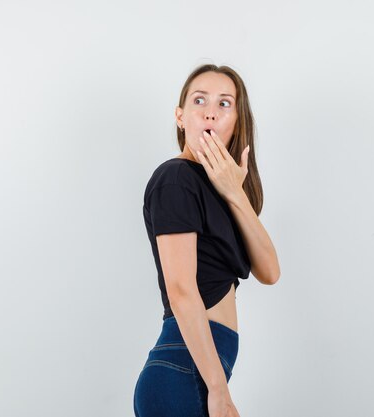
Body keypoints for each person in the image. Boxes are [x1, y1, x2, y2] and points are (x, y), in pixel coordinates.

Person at [133, 64, 281, 417]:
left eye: (224, 103)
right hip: (183, 370)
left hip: (198, 368)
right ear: (181, 117)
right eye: (199, 100)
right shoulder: (175, 179)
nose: (211, 110)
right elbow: (181, 290)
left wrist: (235, 192)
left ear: (236, 121)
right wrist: (219, 391)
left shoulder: (219, 189)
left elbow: (270, 271)